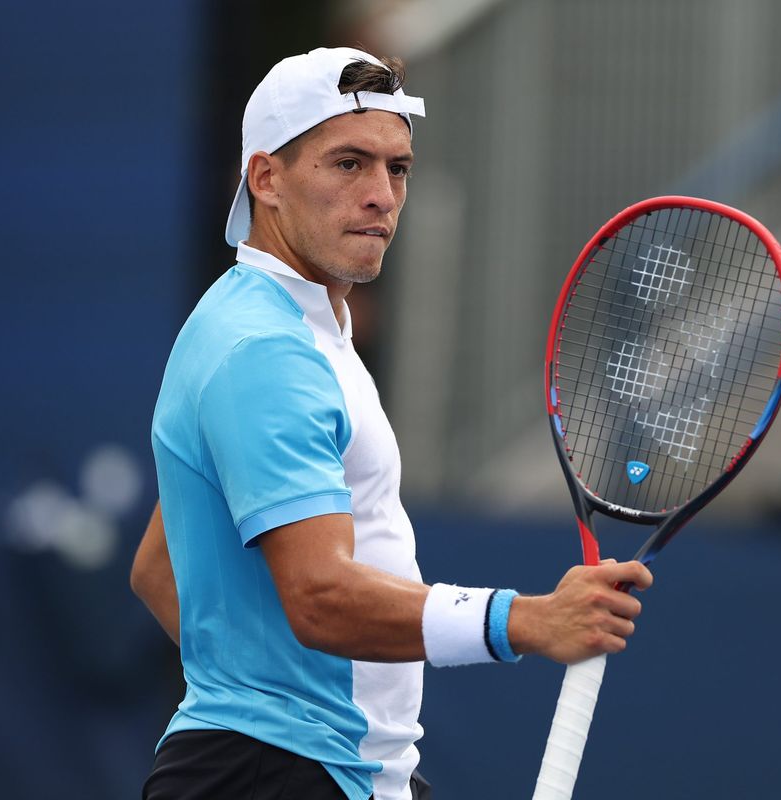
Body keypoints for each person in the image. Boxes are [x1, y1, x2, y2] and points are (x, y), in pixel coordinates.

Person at [130, 47, 653, 800]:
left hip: (322, 769)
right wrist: (526, 620)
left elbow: (163, 565)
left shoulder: (294, 329)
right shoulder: (265, 352)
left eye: (397, 168)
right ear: (266, 179)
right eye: (348, 164)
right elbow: (319, 595)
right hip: (274, 775)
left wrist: (307, 710)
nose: (381, 195)